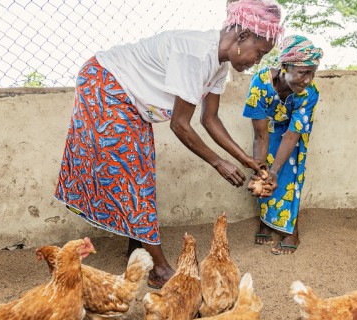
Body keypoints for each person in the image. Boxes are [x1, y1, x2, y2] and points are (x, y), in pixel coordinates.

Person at [54, 0, 284, 289]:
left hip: (128, 98)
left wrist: (247, 160)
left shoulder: (219, 66)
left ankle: (137, 250)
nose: (257, 61)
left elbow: (210, 119)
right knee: (134, 175)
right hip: (105, 82)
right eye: (259, 52)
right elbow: (180, 124)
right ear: (241, 37)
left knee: (139, 175)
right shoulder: (195, 54)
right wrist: (218, 162)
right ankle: (160, 270)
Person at [243, 35, 323, 255]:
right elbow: (260, 135)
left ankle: (291, 231)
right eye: (304, 73)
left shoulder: (310, 92)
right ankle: (266, 222)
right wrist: (263, 171)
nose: (308, 79)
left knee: (289, 175)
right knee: (262, 173)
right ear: (285, 66)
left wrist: (276, 172)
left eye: (313, 73)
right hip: (268, 130)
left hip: (293, 132)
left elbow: (291, 135)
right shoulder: (260, 83)